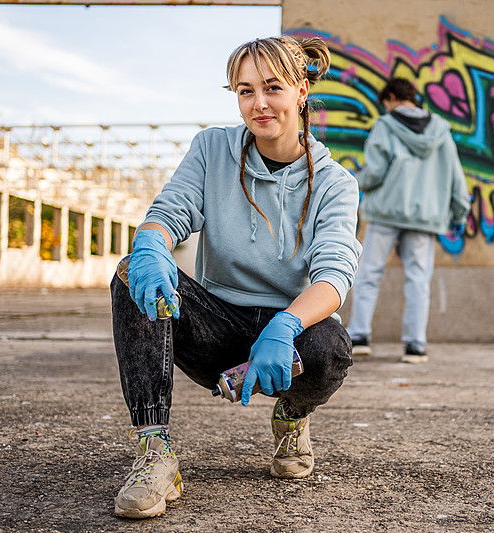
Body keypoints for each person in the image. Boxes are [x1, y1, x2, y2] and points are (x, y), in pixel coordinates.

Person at [110, 35, 362, 519]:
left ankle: (292, 416)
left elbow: (333, 276)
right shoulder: (212, 148)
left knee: (330, 349)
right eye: (245, 91)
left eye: (273, 87)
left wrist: (286, 325)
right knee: (129, 274)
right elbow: (173, 209)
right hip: (215, 329)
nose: (259, 103)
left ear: (302, 90)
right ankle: (154, 454)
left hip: (286, 342)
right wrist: (151, 243)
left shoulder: (336, 184)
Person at [346, 78, 470, 364]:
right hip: (425, 217)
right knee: (418, 280)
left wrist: (353, 183)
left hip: (386, 211)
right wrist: (458, 213)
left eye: (385, 103)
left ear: (390, 97)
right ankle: (415, 346)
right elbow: (455, 177)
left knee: (369, 275)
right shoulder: (442, 131)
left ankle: (360, 336)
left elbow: (374, 172)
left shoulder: (385, 125)